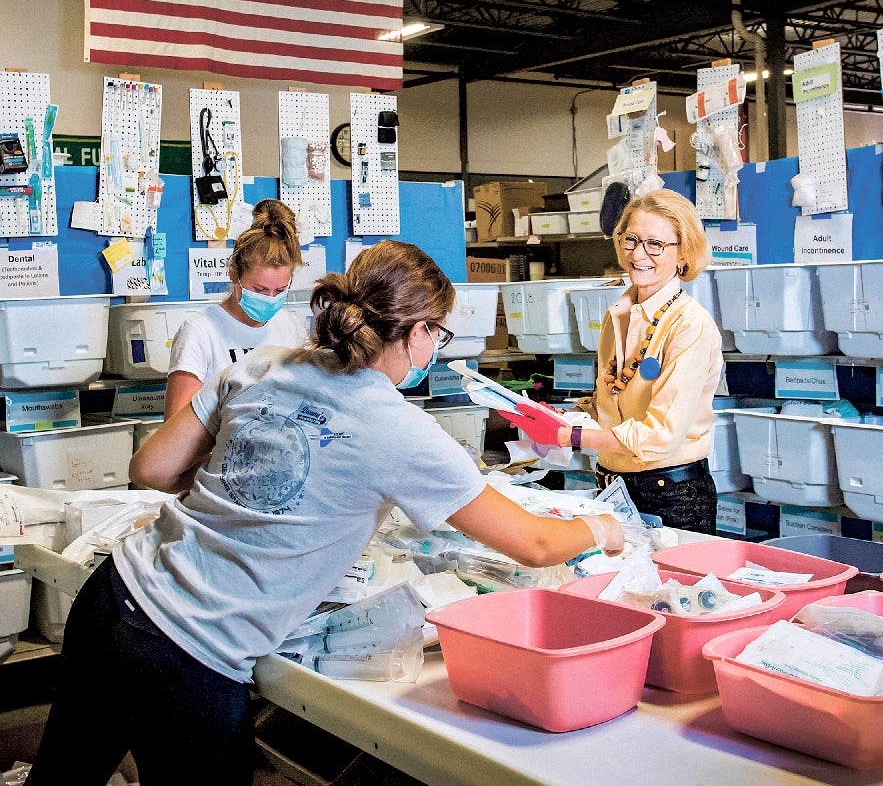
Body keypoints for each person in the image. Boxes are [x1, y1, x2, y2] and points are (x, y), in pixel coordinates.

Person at [26, 241, 623, 786]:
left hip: (114, 597)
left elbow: (151, 469)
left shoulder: (264, 363)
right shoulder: (402, 430)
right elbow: (534, 545)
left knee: (61, 778)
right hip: (194, 649)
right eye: (437, 334)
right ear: (416, 332)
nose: (434, 349)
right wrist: (601, 526)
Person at [502, 190, 724, 534]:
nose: (638, 254)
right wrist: (563, 416)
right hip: (612, 485)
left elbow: (660, 436)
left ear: (683, 252)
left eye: (655, 244)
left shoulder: (689, 325)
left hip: (671, 494)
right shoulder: (618, 313)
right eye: (631, 239)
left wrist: (571, 437)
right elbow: (611, 400)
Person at [163, 199, 308, 418]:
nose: (269, 299)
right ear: (234, 274)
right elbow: (175, 426)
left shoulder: (291, 327)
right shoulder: (199, 332)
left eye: (279, 291)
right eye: (259, 290)